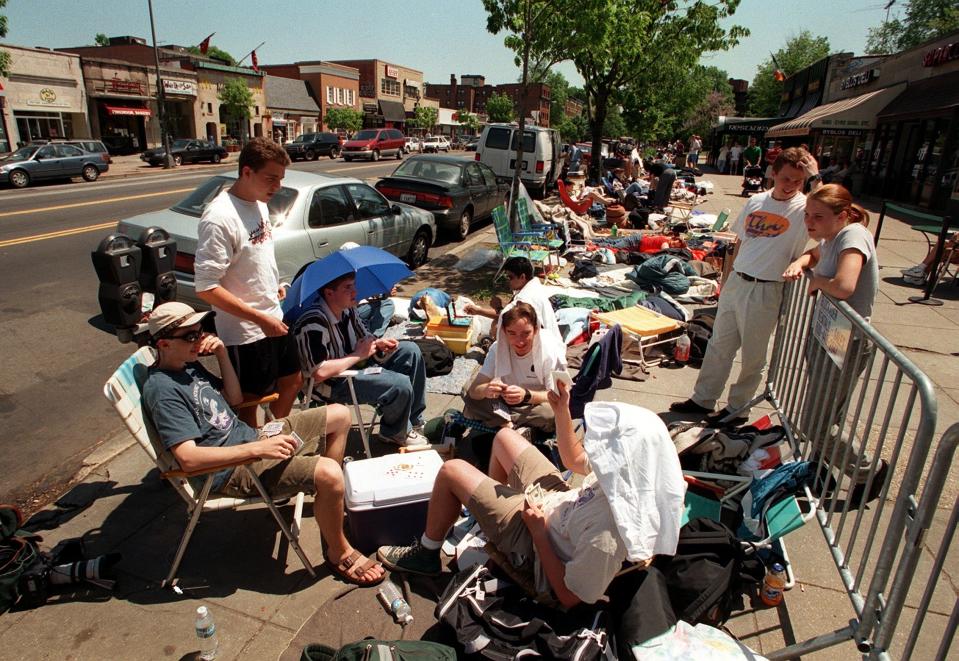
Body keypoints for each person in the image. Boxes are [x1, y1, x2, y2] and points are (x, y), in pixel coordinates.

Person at [140, 302, 384, 586]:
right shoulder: (163, 391)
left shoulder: (187, 368)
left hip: (254, 439)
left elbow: (234, 400)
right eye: (191, 336)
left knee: (340, 415)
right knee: (329, 472)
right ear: (164, 343)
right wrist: (258, 449)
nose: (200, 340)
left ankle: (327, 504)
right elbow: (189, 459)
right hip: (234, 469)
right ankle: (337, 549)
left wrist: (221, 353)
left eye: (201, 331)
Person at [376, 385, 685, 608]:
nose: (597, 445)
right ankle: (486, 524)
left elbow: (569, 597)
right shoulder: (629, 474)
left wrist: (537, 531)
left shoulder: (608, 535)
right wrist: (561, 411)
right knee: (505, 437)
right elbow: (574, 460)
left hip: (536, 537)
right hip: (561, 503)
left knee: (452, 470)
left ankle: (427, 554)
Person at [671, 148, 822, 426]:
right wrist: (726, 278)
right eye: (786, 178)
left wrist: (814, 174)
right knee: (719, 345)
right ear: (773, 174)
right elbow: (740, 241)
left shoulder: (804, 208)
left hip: (767, 288)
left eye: (797, 181)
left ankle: (738, 408)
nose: (790, 185)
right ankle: (703, 398)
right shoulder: (756, 201)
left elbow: (828, 205)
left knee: (753, 355)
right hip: (738, 281)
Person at [783, 184, 885, 505]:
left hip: (847, 339)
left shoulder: (852, 236)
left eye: (818, 217)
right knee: (825, 415)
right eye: (807, 215)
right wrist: (802, 261)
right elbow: (817, 253)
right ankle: (820, 468)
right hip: (830, 334)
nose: (810, 223)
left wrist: (817, 281)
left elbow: (844, 285)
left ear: (841, 215)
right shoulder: (833, 237)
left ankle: (868, 469)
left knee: (815, 423)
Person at [194, 137, 302, 427]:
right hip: (244, 332)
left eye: (281, 178)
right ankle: (251, 458)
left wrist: (274, 283)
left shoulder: (259, 204)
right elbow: (205, 287)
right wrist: (258, 317)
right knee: (251, 400)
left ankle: (272, 435)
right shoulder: (219, 217)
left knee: (293, 380)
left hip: (272, 315)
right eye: (271, 178)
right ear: (246, 172)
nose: (277, 186)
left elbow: (255, 255)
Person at [292, 272, 429, 447]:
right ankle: (395, 433)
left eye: (354, 286)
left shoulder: (348, 310)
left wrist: (378, 344)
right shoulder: (313, 323)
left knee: (410, 351)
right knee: (398, 383)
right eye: (348, 288)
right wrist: (357, 355)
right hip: (331, 385)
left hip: (356, 367)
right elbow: (319, 373)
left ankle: (413, 421)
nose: (355, 292)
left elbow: (365, 339)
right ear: (329, 293)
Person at [462, 302, 567, 435]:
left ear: (535, 330)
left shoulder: (548, 351)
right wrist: (487, 389)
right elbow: (474, 389)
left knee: (550, 414)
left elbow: (558, 395)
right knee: (468, 390)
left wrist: (527, 395)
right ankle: (508, 425)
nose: (520, 341)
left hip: (534, 403)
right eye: (512, 333)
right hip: (504, 400)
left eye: (525, 333)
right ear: (504, 331)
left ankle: (492, 417)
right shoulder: (498, 348)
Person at [464, 256, 562, 344]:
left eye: (510, 277)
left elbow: (506, 317)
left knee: (498, 326)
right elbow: (507, 313)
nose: (508, 280)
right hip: (549, 339)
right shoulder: (532, 286)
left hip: (542, 345)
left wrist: (495, 307)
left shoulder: (525, 298)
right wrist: (479, 311)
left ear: (522, 277)